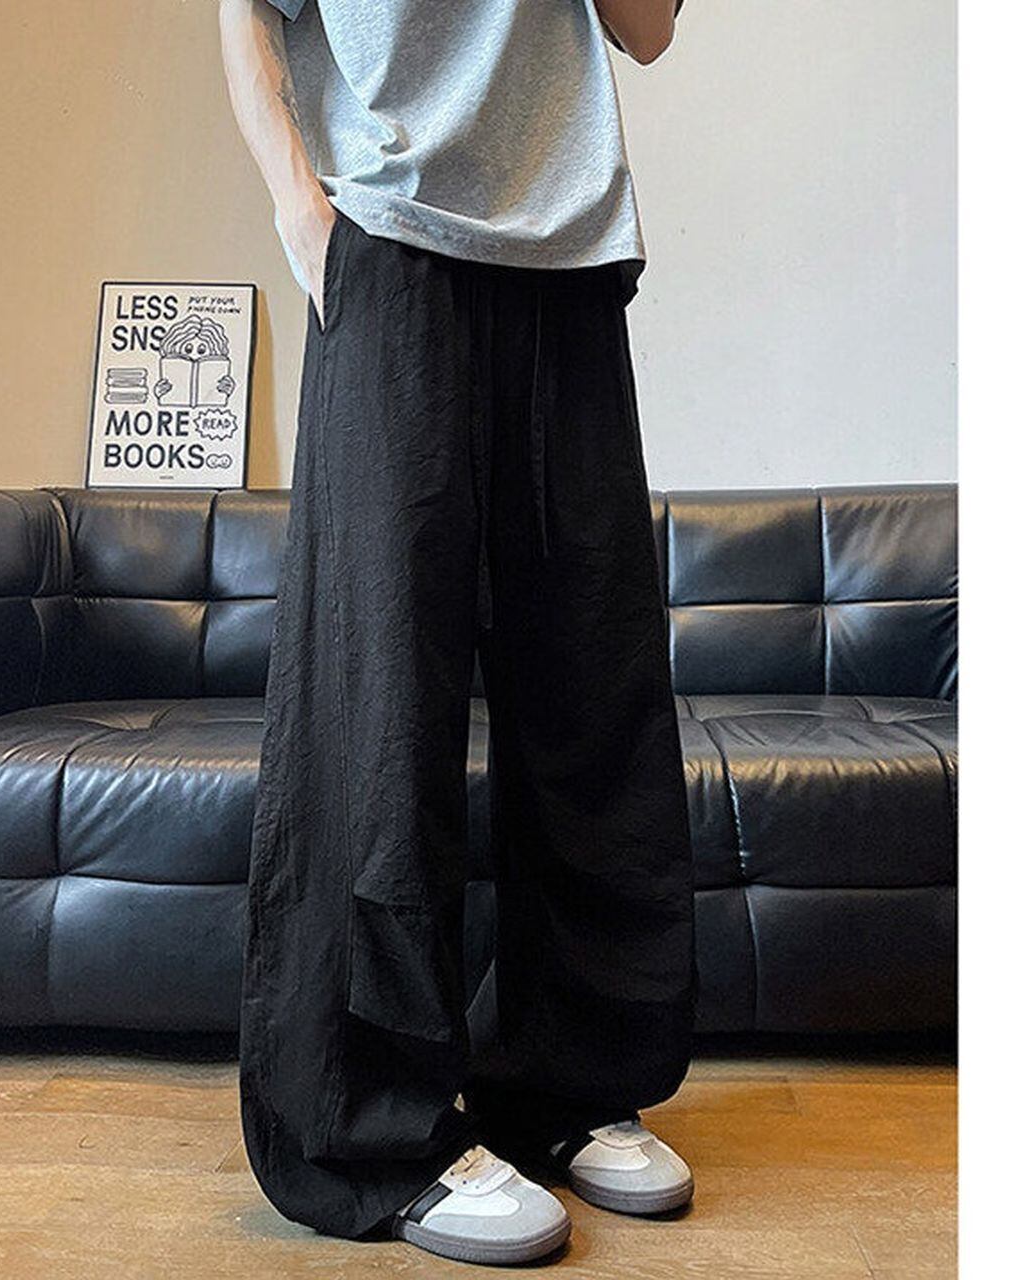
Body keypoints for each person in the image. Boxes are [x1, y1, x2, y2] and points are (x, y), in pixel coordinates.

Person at [219, 0, 695, 1265]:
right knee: (380, 701)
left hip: (570, 256)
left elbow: (646, 30)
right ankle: (374, 1129)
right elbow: (244, 16)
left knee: (589, 688)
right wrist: (300, 209)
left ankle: (566, 1085)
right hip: (388, 249)